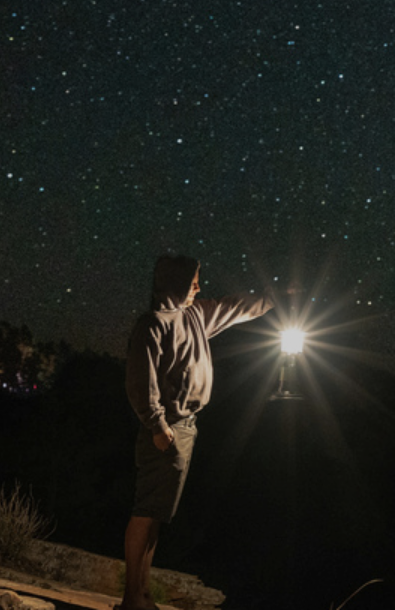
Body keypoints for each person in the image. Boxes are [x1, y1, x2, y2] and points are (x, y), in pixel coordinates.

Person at [120, 255, 273, 610]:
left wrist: (273, 299)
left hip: (185, 426)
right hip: (166, 429)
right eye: (192, 283)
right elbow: (140, 381)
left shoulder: (195, 315)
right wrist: (158, 426)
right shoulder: (153, 325)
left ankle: (142, 594)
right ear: (175, 283)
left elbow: (233, 308)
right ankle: (131, 597)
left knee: (157, 515)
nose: (199, 288)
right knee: (146, 510)